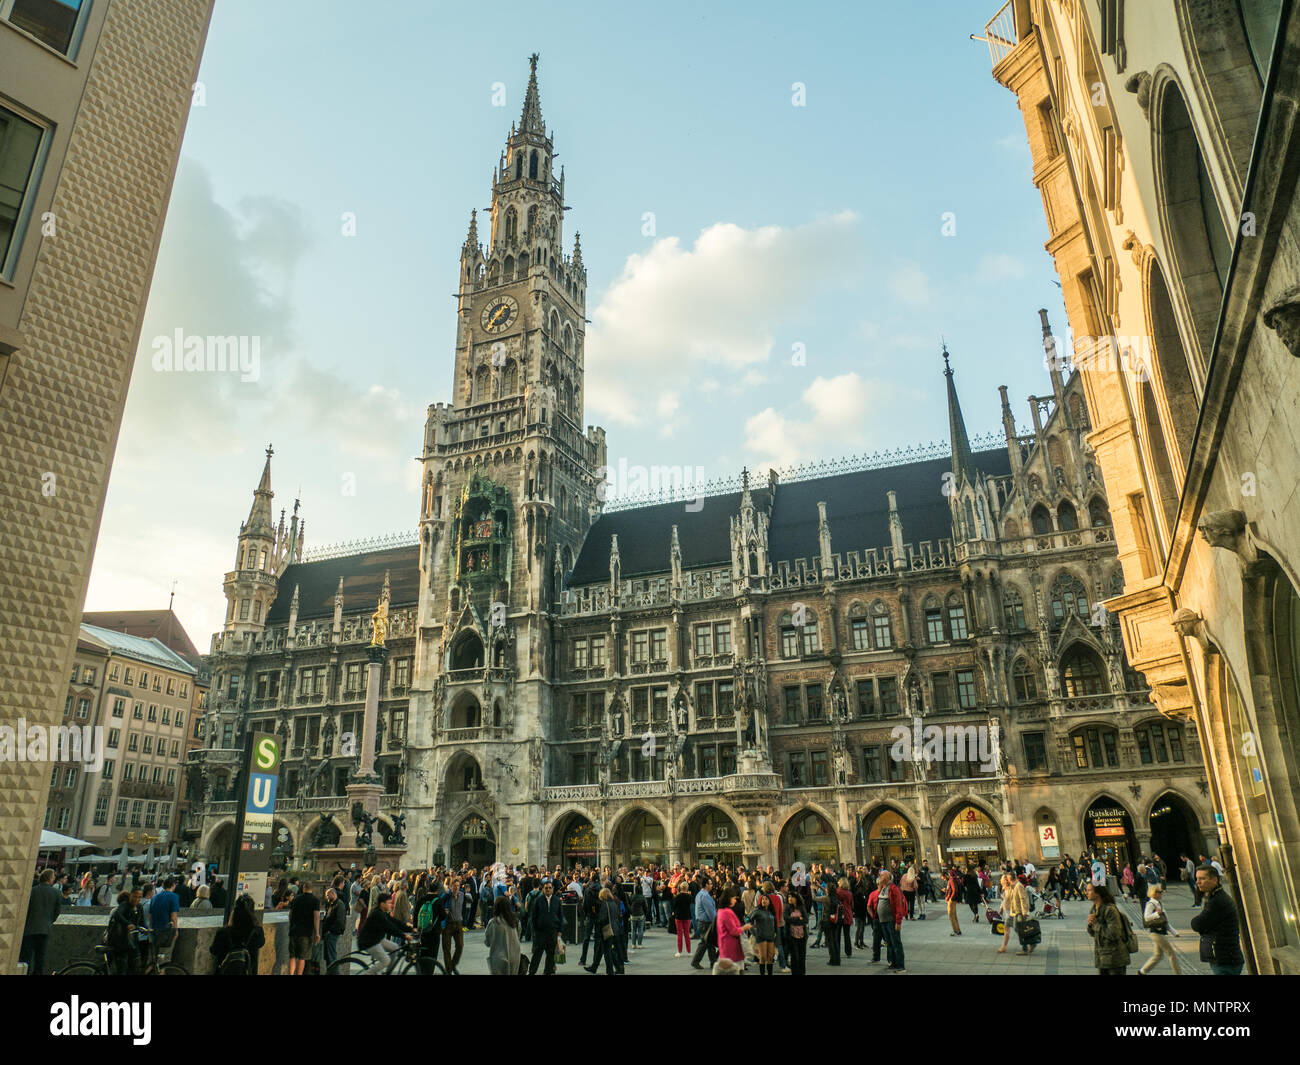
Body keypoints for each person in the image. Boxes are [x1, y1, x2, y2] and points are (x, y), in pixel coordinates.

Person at [1190, 864, 1244, 975]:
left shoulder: (1217, 901)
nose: (1198, 882)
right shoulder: (1213, 897)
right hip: (1224, 956)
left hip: (1225, 958)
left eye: (1202, 878)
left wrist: (1201, 925)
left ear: (1214, 880)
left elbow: (1197, 924)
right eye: (1197, 878)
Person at [20, 869, 63, 975]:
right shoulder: (57, 893)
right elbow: (57, 912)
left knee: (26, 958)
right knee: (40, 958)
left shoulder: (32, 891)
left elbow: (25, 910)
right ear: (50, 878)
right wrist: (49, 921)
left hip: (29, 929)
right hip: (45, 929)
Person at [210, 893, 265, 975]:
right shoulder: (257, 931)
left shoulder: (224, 932)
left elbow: (214, 950)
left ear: (234, 911)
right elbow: (261, 943)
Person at [357, 891, 410, 974]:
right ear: (382, 904)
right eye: (388, 903)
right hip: (368, 942)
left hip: (377, 939)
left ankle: (387, 973)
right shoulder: (377, 914)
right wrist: (404, 936)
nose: (390, 905)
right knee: (386, 960)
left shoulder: (382, 912)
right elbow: (390, 928)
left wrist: (410, 929)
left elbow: (394, 921)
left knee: (395, 948)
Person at [1086, 881, 1132, 975]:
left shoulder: (1110, 910)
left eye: (1089, 890)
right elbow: (1093, 933)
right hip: (1102, 957)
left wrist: (1095, 924)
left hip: (1115, 958)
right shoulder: (1094, 908)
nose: (1086, 892)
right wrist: (1090, 925)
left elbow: (1114, 933)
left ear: (1098, 892)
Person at [1138, 883, 1181, 975]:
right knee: (1171, 954)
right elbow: (1146, 917)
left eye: (1161, 892)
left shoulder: (1159, 904)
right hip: (1156, 932)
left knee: (1158, 955)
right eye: (1159, 892)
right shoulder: (1151, 904)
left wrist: (1174, 932)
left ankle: (1142, 971)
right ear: (1154, 893)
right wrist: (1157, 913)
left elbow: (1165, 921)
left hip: (1160, 931)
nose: (1161, 894)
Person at [105, 888, 146, 974]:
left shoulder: (139, 907)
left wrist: (145, 929)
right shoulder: (125, 905)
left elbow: (141, 922)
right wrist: (127, 924)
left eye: (139, 897)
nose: (137, 899)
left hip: (132, 941)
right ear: (130, 895)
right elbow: (118, 914)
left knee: (134, 965)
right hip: (120, 942)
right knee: (122, 968)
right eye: (135, 896)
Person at [528, 880, 564, 975]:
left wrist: (560, 930)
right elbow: (533, 917)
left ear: (552, 889)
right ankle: (531, 972)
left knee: (551, 955)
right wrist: (535, 930)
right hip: (541, 933)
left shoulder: (557, 901)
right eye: (546, 888)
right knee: (537, 954)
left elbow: (561, 916)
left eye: (550, 888)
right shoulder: (538, 901)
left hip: (553, 932)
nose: (548, 889)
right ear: (543, 889)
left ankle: (547, 972)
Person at [874, 870, 908, 972]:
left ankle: (900, 965)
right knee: (889, 943)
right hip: (883, 921)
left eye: (882, 875)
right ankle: (892, 962)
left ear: (888, 877)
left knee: (895, 942)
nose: (880, 877)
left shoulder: (893, 889)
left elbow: (898, 906)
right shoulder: (883, 888)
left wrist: (898, 921)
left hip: (891, 921)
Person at [288, 880, 321, 975]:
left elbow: (290, 914)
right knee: (302, 958)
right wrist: (317, 933)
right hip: (306, 933)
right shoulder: (315, 900)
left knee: (292, 956)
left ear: (303, 888)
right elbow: (316, 917)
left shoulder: (296, 899)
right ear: (312, 889)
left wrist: (292, 925)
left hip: (293, 931)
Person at [715, 885, 751, 969]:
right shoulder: (726, 912)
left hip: (725, 946)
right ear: (729, 899)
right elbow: (733, 931)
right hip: (731, 948)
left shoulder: (720, 911)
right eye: (734, 898)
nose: (735, 901)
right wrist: (744, 927)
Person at [485, 895, 522, 975]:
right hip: (515, 957)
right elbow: (518, 936)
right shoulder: (515, 921)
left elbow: (487, 942)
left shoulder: (493, 922)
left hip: (499, 959)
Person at [148, 875, 180, 962]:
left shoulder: (155, 897)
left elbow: (150, 916)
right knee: (164, 959)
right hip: (166, 932)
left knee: (153, 959)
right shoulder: (174, 896)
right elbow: (173, 916)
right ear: (173, 885)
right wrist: (176, 930)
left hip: (154, 930)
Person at [689, 880, 719, 969]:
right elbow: (710, 912)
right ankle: (696, 961)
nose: (712, 885)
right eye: (710, 883)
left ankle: (713, 962)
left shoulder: (700, 894)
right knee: (706, 943)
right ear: (706, 885)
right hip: (706, 923)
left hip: (703, 922)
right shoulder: (705, 896)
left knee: (709, 943)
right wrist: (716, 921)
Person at [750, 892, 777, 975]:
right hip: (761, 936)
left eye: (766, 899)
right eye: (762, 899)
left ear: (769, 901)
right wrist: (754, 931)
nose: (764, 901)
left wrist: (776, 933)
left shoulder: (771, 911)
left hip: (771, 936)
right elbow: (748, 919)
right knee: (763, 957)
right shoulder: (757, 911)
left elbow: (775, 923)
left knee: (770, 957)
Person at [784, 891, 808, 976]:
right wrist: (798, 919)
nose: (790, 898)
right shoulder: (787, 907)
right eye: (789, 897)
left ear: (796, 898)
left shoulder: (801, 907)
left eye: (792, 897)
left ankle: (802, 972)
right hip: (791, 935)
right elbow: (786, 918)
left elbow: (805, 920)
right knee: (795, 957)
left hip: (802, 935)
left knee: (802, 956)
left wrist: (793, 920)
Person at [321, 887, 346, 970]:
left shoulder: (339, 904)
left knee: (332, 957)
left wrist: (330, 931)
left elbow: (339, 921)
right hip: (330, 933)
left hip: (333, 933)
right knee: (329, 957)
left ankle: (334, 972)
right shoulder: (332, 904)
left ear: (333, 894)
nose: (327, 897)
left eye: (328, 895)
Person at [672, 882, 693, 956]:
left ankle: (679, 951)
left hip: (678, 916)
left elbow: (674, 906)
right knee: (687, 934)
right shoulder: (689, 896)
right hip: (687, 916)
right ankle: (689, 951)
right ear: (687, 888)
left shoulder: (677, 897)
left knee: (679, 934)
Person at [944, 868, 962, 936]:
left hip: (951, 900)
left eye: (943, 878)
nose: (944, 879)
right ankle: (958, 930)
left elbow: (954, 890)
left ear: (946, 875)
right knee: (954, 916)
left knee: (951, 916)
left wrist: (951, 898)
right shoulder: (954, 879)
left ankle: (955, 931)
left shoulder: (951, 880)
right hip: (954, 899)